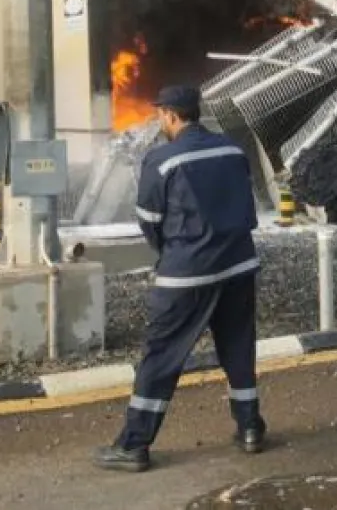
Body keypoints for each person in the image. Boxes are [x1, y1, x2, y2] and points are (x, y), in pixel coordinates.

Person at [94, 86, 266, 473]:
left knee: (160, 357)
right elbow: (247, 207)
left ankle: (134, 445)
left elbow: (150, 223)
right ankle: (251, 428)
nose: (159, 121)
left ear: (171, 116)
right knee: (239, 349)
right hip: (239, 266)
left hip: (186, 274)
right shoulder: (232, 150)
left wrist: (173, 255)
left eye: (160, 115)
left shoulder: (161, 160)